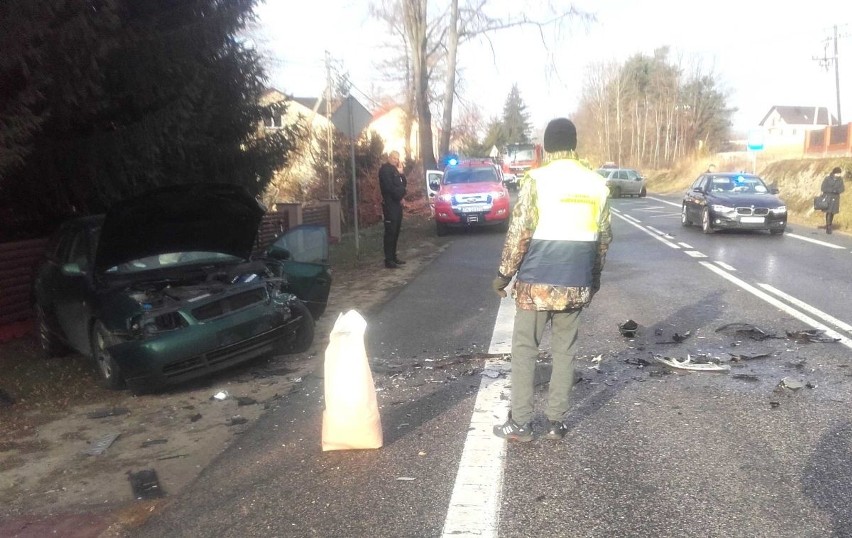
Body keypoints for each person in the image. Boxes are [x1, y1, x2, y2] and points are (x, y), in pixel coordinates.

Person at [491, 118, 612, 442]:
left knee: (525, 349)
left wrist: (504, 275)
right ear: (574, 145)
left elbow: (520, 233)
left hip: (537, 283)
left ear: (546, 146)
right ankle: (556, 422)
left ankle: (521, 423)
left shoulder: (537, 180)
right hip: (577, 281)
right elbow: (603, 239)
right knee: (565, 351)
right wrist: (593, 279)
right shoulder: (596, 184)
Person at [378, 150, 407, 268]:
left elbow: (403, 184)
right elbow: (389, 188)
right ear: (389, 157)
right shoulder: (385, 170)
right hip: (390, 205)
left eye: (397, 158)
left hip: (397, 205)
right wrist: (401, 195)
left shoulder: (395, 170)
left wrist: (401, 174)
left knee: (396, 231)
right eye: (394, 158)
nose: (396, 160)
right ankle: (388, 259)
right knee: (390, 232)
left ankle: (394, 256)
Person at [820, 166, 844, 234]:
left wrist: (837, 190)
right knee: (829, 212)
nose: (839, 175)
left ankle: (830, 224)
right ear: (834, 173)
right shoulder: (827, 179)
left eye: (839, 174)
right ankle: (828, 226)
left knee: (833, 212)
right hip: (828, 197)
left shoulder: (840, 180)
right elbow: (823, 187)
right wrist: (831, 190)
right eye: (838, 173)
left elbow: (842, 189)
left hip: (836, 198)